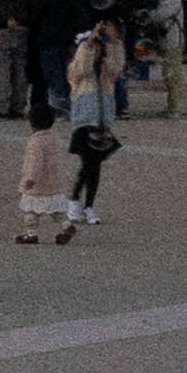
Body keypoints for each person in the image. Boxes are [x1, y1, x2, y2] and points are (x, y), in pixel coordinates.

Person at [62, 22, 122, 236]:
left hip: (101, 122)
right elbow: (80, 66)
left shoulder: (106, 71)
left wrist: (113, 42)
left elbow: (117, 65)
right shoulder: (77, 71)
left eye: (99, 47)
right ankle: (75, 200)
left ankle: (88, 205)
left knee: (95, 166)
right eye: (92, 47)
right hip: (84, 121)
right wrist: (87, 43)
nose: (96, 51)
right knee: (88, 163)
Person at [15, 97, 67, 245]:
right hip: (54, 181)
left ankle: (31, 234)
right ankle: (66, 226)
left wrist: (30, 179)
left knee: (30, 211)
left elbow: (35, 164)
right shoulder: (53, 138)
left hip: (38, 185)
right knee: (56, 210)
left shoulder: (35, 142)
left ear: (31, 122)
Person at [143, 0, 187, 120]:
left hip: (173, 41)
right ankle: (171, 105)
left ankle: (177, 107)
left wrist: (148, 15)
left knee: (174, 74)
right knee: (168, 74)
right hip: (164, 41)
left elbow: (161, 15)